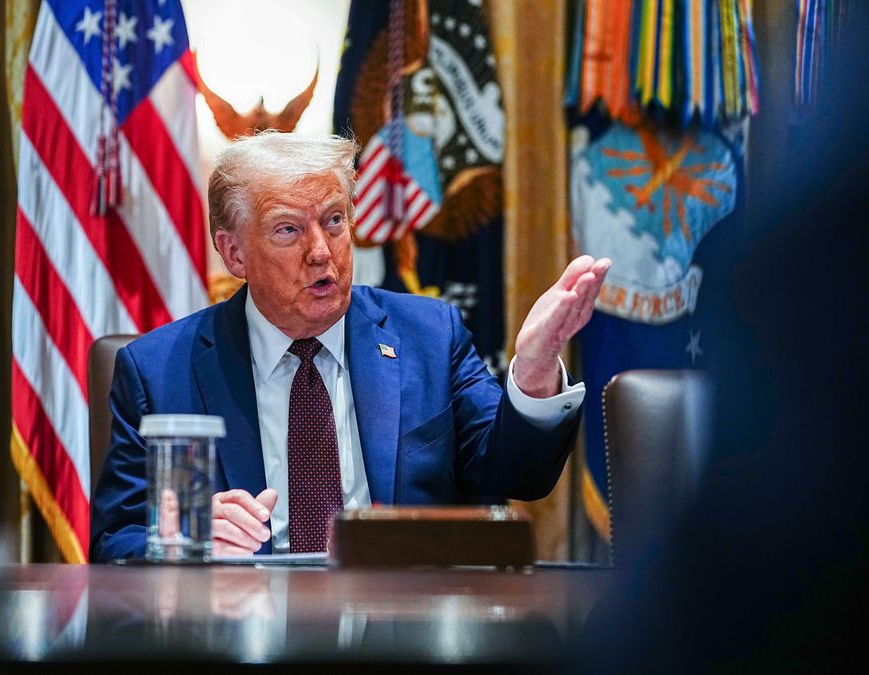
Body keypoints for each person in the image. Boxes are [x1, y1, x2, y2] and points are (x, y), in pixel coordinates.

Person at [90, 131, 610, 561]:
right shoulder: (157, 373)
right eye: (289, 230)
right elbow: (116, 544)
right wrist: (190, 543)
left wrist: (537, 371)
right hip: (242, 637)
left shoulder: (429, 335)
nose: (323, 252)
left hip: (403, 633)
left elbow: (516, 473)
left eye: (335, 220)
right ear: (234, 253)